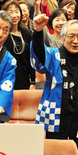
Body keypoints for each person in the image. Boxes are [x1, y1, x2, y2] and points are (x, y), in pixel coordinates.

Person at [30, 14, 78, 147]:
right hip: (56, 115)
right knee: (55, 153)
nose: (75, 41)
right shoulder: (53, 55)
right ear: (63, 38)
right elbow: (39, 54)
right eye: (71, 36)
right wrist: (38, 31)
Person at [2, 0, 35, 90]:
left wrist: (33, 81)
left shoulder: (26, 33)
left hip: (24, 79)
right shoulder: (2, 34)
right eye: (10, 12)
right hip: (6, 78)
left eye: (17, 11)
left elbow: (32, 57)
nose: (14, 15)